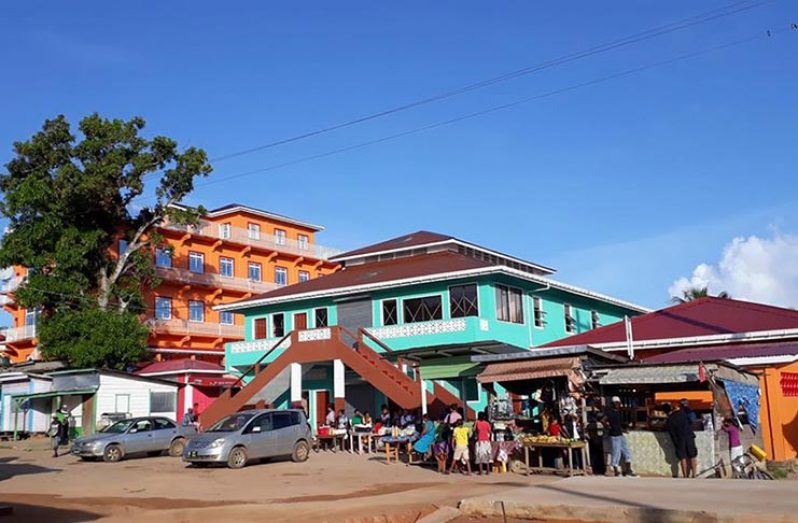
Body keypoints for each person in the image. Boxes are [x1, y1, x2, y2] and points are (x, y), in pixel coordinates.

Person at [602, 396, 636, 477]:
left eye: (618, 403)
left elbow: (619, 424)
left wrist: (624, 429)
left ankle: (628, 470)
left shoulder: (618, 412)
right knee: (616, 453)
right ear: (613, 404)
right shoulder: (610, 412)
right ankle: (616, 470)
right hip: (614, 435)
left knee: (627, 451)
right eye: (616, 403)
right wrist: (608, 427)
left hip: (620, 434)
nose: (617, 404)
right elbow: (603, 420)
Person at [665, 402, 697, 478]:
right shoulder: (683, 413)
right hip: (689, 436)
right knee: (692, 456)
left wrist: (675, 442)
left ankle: (685, 475)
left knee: (683, 457)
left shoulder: (670, 419)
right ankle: (694, 474)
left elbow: (672, 433)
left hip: (679, 439)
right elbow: (691, 421)